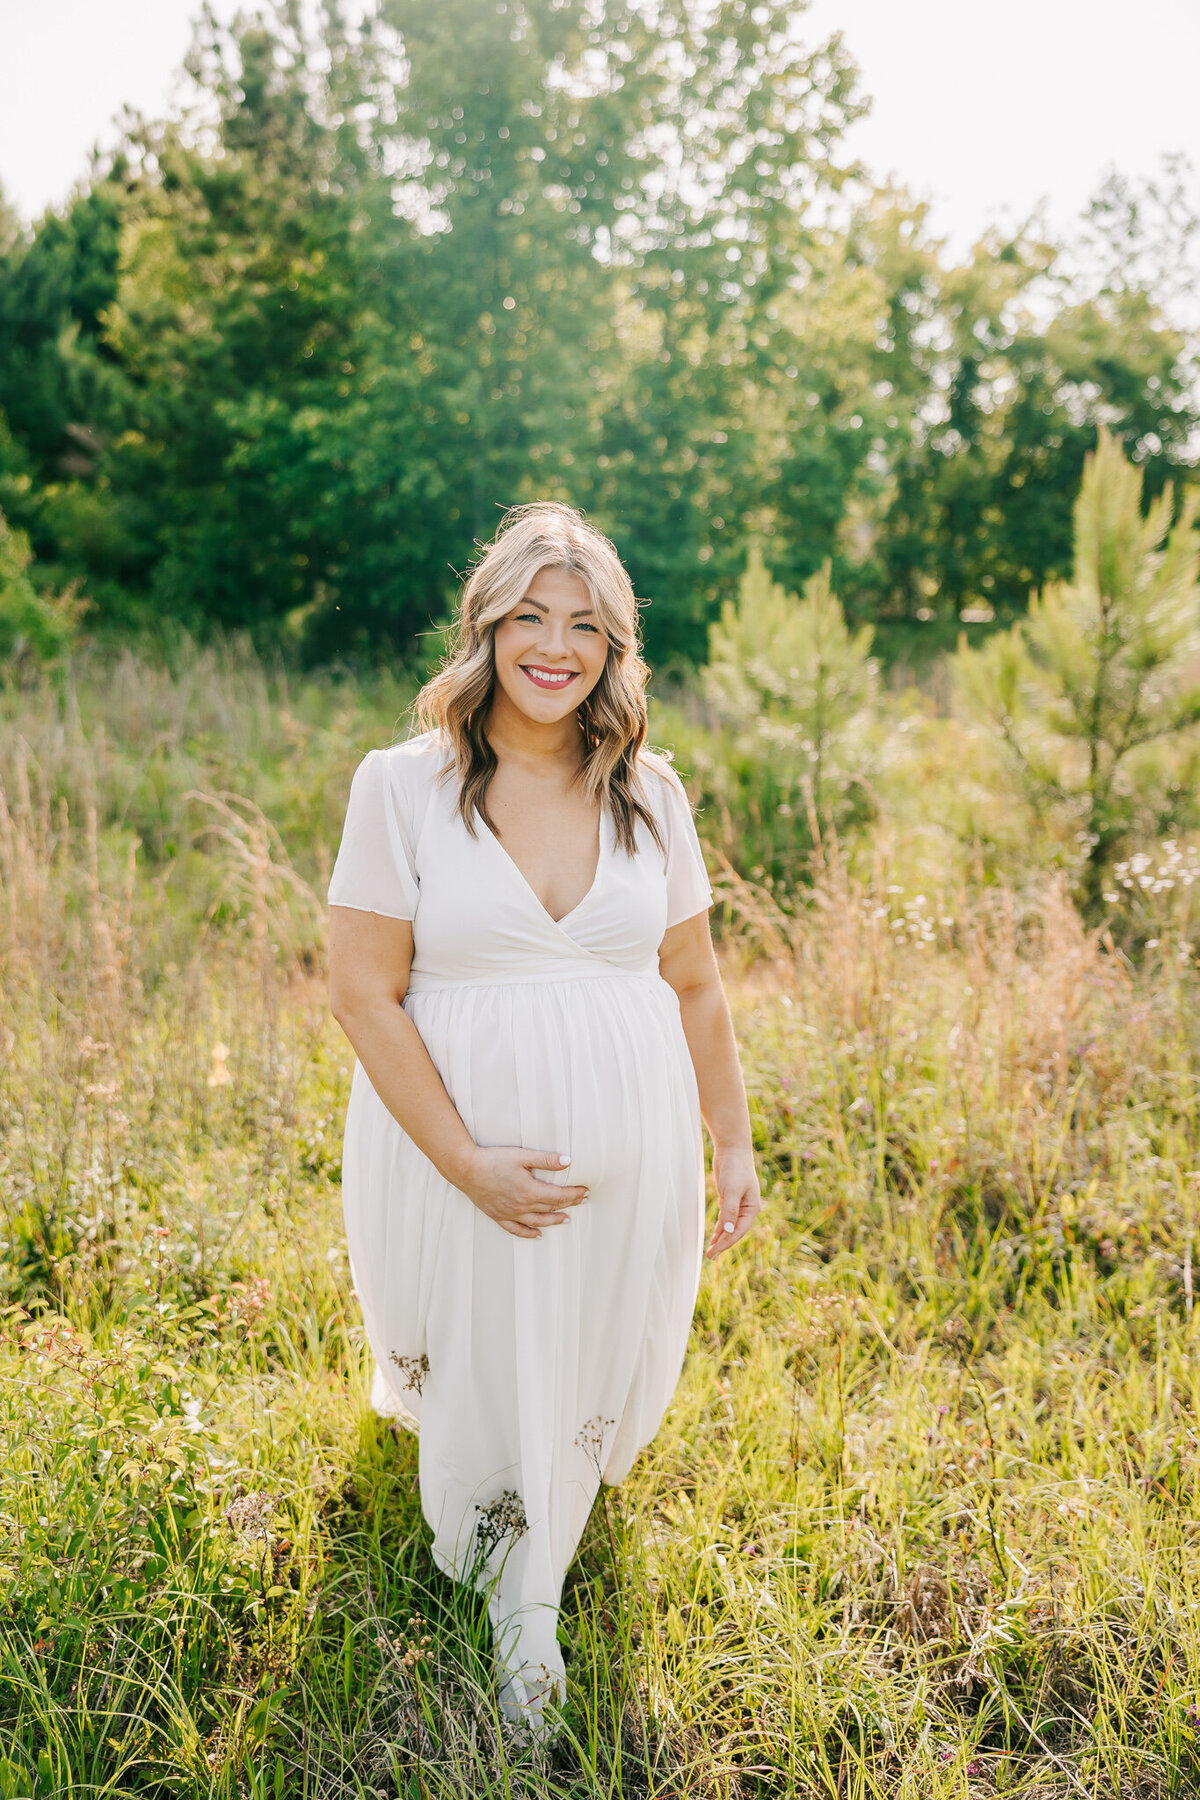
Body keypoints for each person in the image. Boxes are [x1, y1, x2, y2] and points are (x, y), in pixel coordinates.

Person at [326, 501, 761, 1734]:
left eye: (586, 625)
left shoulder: (651, 793)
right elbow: (362, 993)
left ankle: (541, 1565)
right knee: (483, 1361)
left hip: (633, 1149)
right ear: (488, 628)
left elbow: (696, 984)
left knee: (579, 1363)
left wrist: (731, 1142)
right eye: (531, 617)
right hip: (456, 1147)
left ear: (616, 647)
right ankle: (526, 1618)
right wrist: (467, 1161)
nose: (555, 647)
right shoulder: (402, 788)